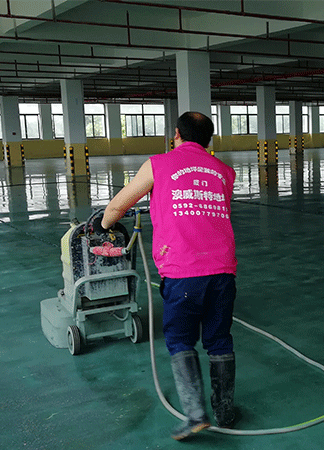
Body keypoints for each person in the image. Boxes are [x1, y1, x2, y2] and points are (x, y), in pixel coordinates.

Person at [95, 111, 238, 441]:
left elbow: (117, 207)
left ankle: (196, 414)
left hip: (182, 270)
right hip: (223, 270)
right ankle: (225, 411)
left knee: (180, 339)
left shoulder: (158, 164)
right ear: (209, 139)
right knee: (219, 339)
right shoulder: (224, 171)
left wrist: (103, 227)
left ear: (176, 134)